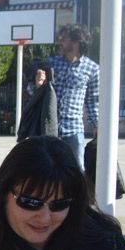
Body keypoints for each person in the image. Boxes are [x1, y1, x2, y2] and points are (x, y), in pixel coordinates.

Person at [49, 24, 99, 168]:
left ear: (76, 42)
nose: (60, 42)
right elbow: (33, 91)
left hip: (74, 128)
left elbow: (93, 100)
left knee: (77, 169)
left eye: (63, 38)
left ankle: (77, 191)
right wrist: (36, 84)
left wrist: (96, 125)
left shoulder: (92, 69)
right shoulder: (52, 63)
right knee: (47, 169)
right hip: (50, 126)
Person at [17, 65, 58, 142]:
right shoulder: (51, 63)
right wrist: (39, 85)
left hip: (72, 128)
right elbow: (30, 91)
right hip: (43, 128)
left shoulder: (86, 65)